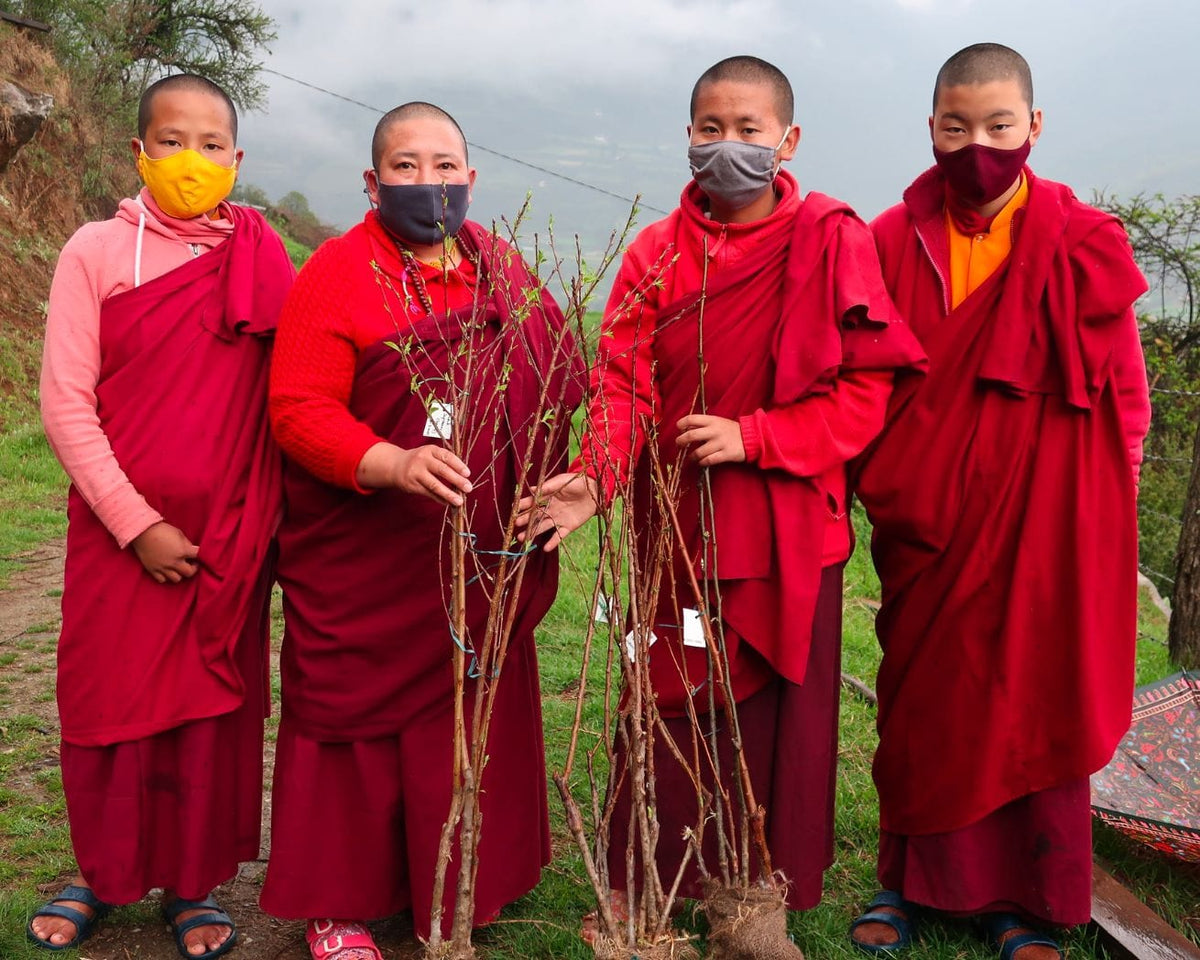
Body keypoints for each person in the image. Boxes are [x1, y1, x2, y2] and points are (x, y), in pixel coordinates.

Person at [517, 55, 924, 921]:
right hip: (680, 525)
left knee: (778, 711)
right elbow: (623, 382)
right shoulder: (657, 251)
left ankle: (756, 893)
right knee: (668, 686)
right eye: (711, 129)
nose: (728, 145)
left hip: (787, 520)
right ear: (689, 136)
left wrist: (758, 436)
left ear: (788, 139)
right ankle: (652, 880)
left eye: (749, 130)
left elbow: (866, 388)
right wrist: (595, 476)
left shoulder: (831, 237)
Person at [259, 101, 583, 960]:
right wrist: (389, 462)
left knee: (472, 719)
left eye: (446, 165)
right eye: (407, 166)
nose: (429, 182)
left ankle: (471, 879)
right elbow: (297, 410)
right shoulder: (339, 272)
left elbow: (561, 377)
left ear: (471, 177)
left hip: (481, 563)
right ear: (373, 183)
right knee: (352, 730)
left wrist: (563, 481)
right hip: (372, 562)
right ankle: (340, 903)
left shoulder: (501, 266)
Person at [850, 43, 1150, 960]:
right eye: (955, 127)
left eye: (998, 127)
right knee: (925, 701)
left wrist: (1114, 504)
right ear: (931, 129)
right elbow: (862, 375)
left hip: (1049, 520)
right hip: (929, 515)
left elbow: (1124, 392)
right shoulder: (890, 239)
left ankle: (1023, 899)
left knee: (1033, 693)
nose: (976, 146)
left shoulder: (1084, 240)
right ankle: (907, 881)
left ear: (1034, 127)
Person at [31, 74, 294, 959]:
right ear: (138, 152)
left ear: (237, 158)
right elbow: (66, 402)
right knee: (105, 706)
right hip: (119, 537)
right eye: (171, 142)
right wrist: (133, 521)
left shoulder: (260, 255)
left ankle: (191, 886)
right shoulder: (96, 250)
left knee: (207, 717)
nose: (192, 159)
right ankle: (100, 874)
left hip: (227, 541)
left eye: (211, 144)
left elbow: (295, 395)